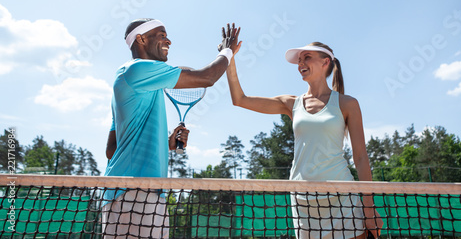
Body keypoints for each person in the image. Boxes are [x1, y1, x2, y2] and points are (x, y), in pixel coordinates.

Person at [226, 40, 383, 239]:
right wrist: (229, 58)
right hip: (303, 199)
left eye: (306, 58)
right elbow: (239, 99)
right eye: (299, 60)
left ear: (326, 62)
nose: (300, 64)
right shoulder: (291, 103)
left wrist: (369, 210)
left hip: (342, 199)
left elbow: (360, 158)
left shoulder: (348, 104)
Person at [102, 19, 240, 239]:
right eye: (162, 35)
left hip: (137, 192)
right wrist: (227, 51)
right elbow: (208, 77)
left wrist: (167, 143)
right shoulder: (138, 69)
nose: (169, 40)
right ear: (141, 39)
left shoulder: (127, 81)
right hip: (134, 194)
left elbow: (112, 150)